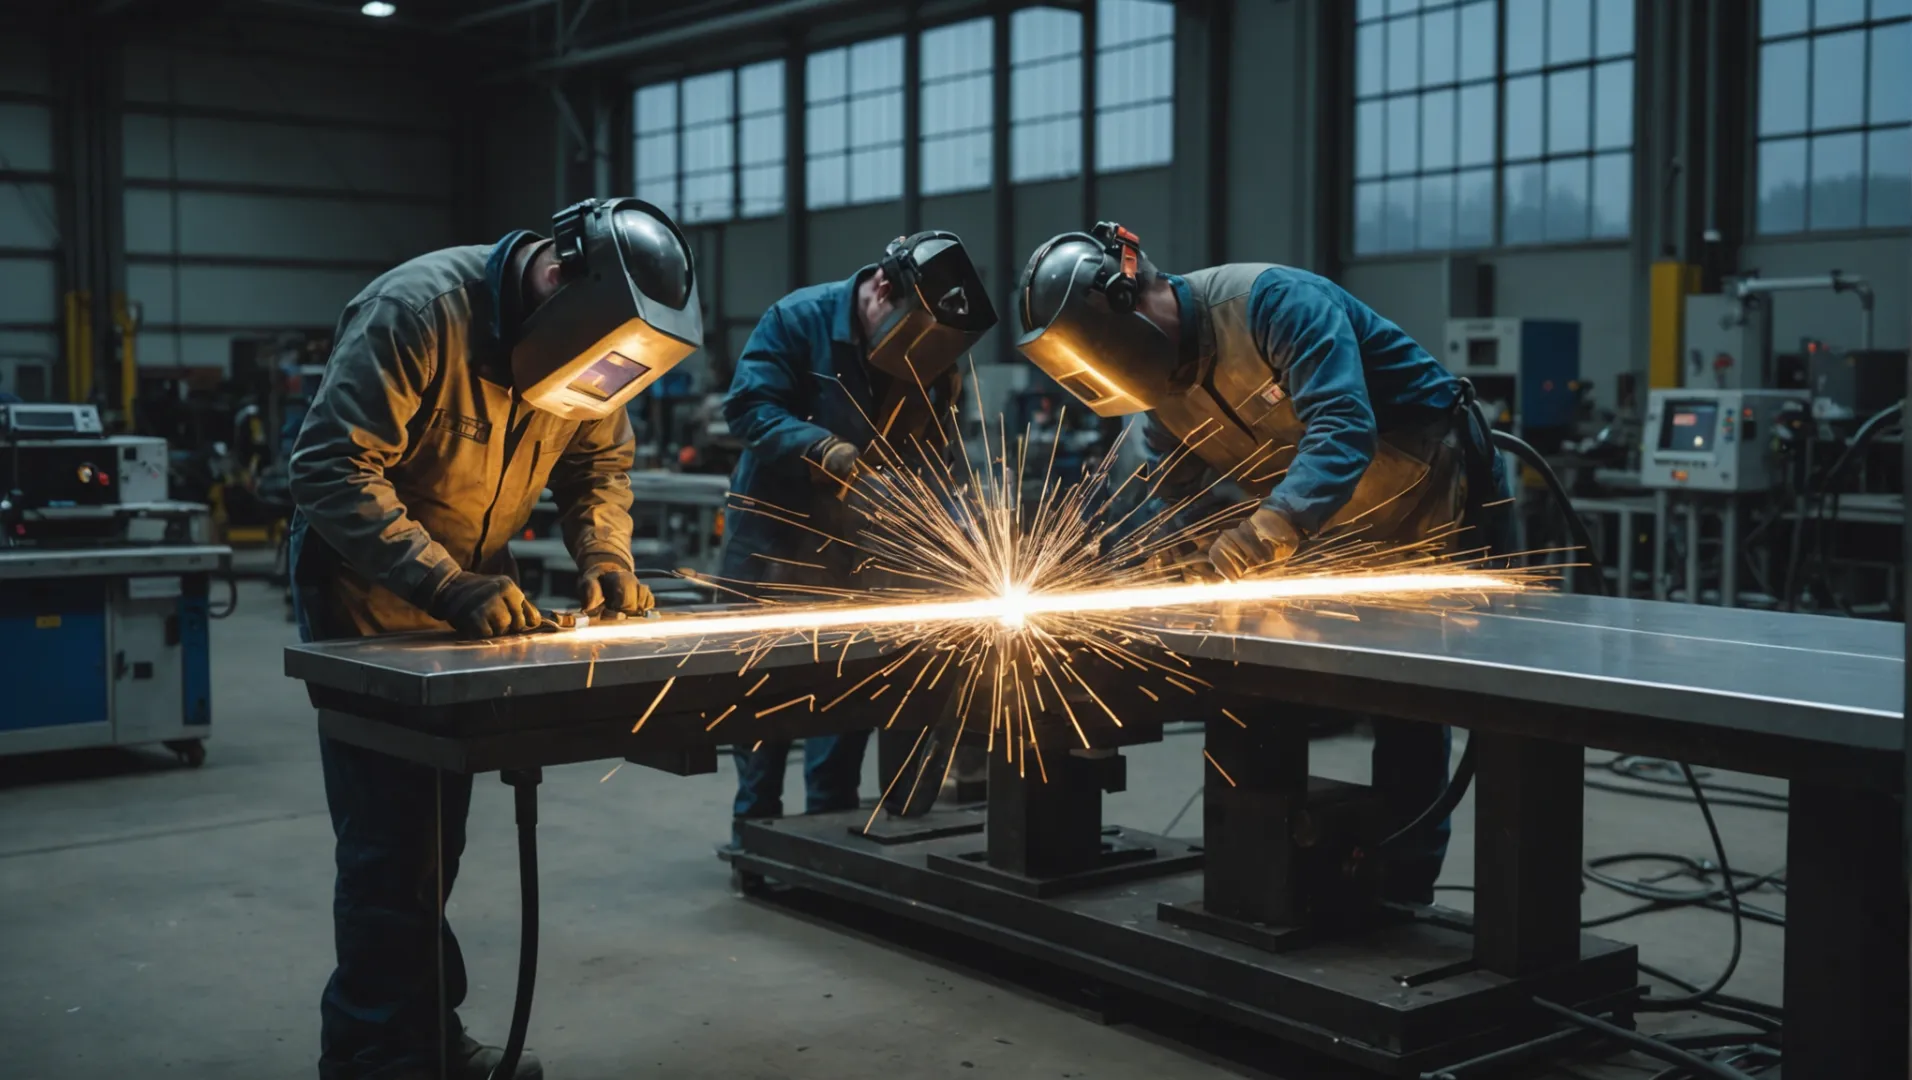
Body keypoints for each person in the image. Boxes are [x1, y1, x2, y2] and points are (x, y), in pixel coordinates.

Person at [288, 197, 703, 1079]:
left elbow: (599, 462)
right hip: (368, 589)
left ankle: (421, 1036)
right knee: (391, 837)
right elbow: (328, 466)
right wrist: (445, 583)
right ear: (555, 280)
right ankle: (375, 1054)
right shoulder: (416, 313)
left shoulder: (591, 344)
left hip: (472, 592)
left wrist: (605, 553)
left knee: (435, 834)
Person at [1012, 222, 1509, 903]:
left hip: (1431, 493)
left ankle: (1403, 886)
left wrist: (1262, 533)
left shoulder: (1275, 303)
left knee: (1414, 700)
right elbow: (1163, 489)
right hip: (1328, 526)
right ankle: (1288, 873)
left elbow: (1342, 430)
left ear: (1131, 305)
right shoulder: (1162, 393)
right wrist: (1112, 562)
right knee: (1271, 666)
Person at [720, 231, 995, 849]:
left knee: (848, 688)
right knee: (768, 699)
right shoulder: (798, 319)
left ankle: (828, 836)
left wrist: (959, 535)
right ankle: (755, 837)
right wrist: (821, 447)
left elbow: (941, 461)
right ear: (880, 291)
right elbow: (747, 407)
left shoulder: (932, 362)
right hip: (775, 537)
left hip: (858, 547)